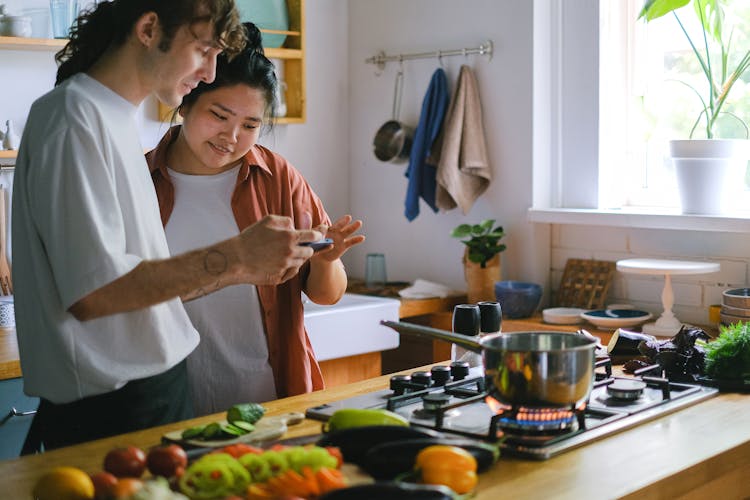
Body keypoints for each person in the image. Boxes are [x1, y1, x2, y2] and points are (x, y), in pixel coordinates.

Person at [11, 0, 323, 452]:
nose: (211, 71)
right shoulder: (72, 118)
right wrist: (238, 257)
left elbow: (137, 282)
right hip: (113, 406)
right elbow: (95, 293)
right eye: (203, 50)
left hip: (151, 393)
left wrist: (244, 265)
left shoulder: (113, 118)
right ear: (149, 29)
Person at [146, 22, 365, 414]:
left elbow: (326, 294)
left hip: (266, 399)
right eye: (219, 115)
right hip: (167, 402)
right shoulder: (139, 180)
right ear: (185, 103)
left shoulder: (278, 178)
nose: (232, 137)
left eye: (250, 126)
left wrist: (325, 261)